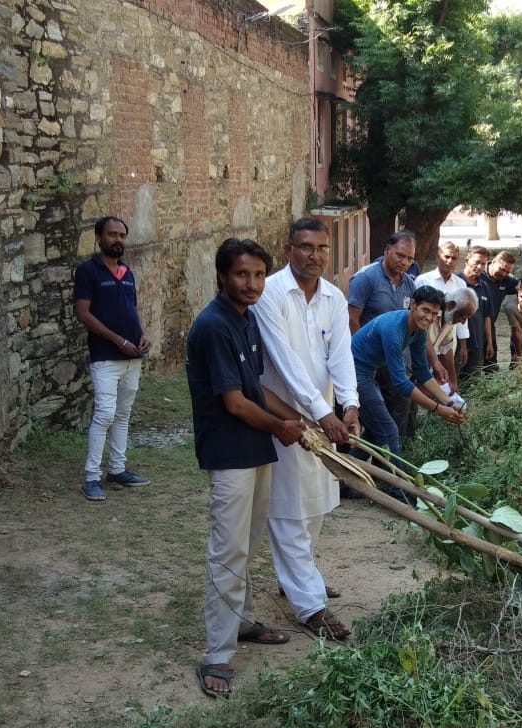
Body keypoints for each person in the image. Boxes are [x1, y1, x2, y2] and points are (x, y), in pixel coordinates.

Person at [185, 238, 309, 698]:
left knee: (249, 543)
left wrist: (302, 419)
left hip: (255, 448)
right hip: (229, 452)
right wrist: (282, 427)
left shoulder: (247, 319)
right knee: (227, 550)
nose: (252, 283)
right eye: (242, 274)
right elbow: (235, 403)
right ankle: (216, 654)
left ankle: (239, 623)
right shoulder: (214, 325)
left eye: (258, 275)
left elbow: (254, 387)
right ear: (222, 276)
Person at [257, 218, 358, 642]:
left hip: (324, 418)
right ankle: (310, 606)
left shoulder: (333, 296)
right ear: (288, 248)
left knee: (315, 502)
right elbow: (285, 362)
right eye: (304, 247)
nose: (313, 255)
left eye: (321, 248)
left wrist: (349, 403)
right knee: (288, 508)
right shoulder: (272, 293)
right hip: (285, 416)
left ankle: (296, 577)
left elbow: (340, 352)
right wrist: (321, 412)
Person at [73, 216, 151, 501]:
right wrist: (119, 340)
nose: (118, 239)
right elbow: (83, 313)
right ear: (99, 237)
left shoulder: (126, 271)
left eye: (122, 235)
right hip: (106, 356)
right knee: (105, 413)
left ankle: (117, 468)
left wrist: (142, 334)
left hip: (133, 357)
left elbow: (132, 308)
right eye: (112, 234)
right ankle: (92, 477)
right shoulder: (88, 271)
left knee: (122, 414)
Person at [352, 286, 466, 460]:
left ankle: (347, 481)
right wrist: (438, 409)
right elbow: (401, 383)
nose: (429, 318)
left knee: (376, 432)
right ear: (413, 304)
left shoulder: (420, 330)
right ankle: (396, 485)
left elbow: (422, 372)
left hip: (370, 371)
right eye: (425, 310)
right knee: (389, 430)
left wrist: (449, 403)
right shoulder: (394, 329)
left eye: (434, 314)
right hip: (354, 371)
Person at [348, 231, 418, 435]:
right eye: (400, 255)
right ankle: (353, 462)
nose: (405, 262)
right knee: (367, 419)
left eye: (410, 258)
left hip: (396, 363)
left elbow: (412, 324)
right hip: (370, 362)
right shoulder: (366, 278)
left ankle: (386, 465)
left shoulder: (409, 284)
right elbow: (352, 319)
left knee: (395, 419)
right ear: (387, 250)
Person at [415, 242, 472, 390]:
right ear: (437, 258)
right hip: (423, 339)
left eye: (454, 258)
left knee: (444, 382)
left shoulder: (460, 284)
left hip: (447, 338)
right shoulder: (423, 280)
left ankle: (440, 408)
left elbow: (461, 319)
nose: (450, 261)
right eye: (446, 256)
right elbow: (414, 314)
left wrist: (463, 345)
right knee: (422, 382)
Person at [424, 283, 478, 394]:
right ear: (450, 305)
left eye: (466, 318)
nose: (463, 322)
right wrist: (436, 363)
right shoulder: (431, 307)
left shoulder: (450, 316)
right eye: (462, 316)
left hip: (419, 365)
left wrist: (453, 381)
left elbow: (446, 348)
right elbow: (422, 337)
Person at [478, 250, 519, 372]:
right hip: (470, 327)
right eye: (502, 269)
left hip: (490, 326)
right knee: (470, 366)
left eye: (508, 272)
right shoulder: (477, 275)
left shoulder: (506, 280)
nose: (504, 274)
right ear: (493, 261)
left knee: (491, 367)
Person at [456, 245, 491, 381]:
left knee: (473, 383)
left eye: (483, 264)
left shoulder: (484, 286)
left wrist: (489, 342)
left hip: (478, 342)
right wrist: (462, 345)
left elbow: (487, 316)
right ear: (467, 260)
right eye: (477, 262)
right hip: (457, 344)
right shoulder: (456, 282)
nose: (480, 267)